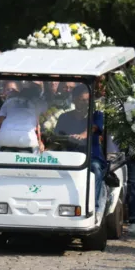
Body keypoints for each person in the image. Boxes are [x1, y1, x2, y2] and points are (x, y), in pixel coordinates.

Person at [54, 85, 105, 216]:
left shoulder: (97, 115)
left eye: (87, 100)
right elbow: (56, 136)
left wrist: (82, 135)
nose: (84, 103)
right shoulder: (64, 117)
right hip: (68, 156)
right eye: (81, 99)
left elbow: (93, 128)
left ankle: (93, 207)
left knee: (95, 169)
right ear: (74, 100)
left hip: (91, 156)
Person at [0, 82, 45, 157]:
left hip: (4, 137)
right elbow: (37, 127)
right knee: (39, 157)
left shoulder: (8, 102)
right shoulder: (35, 106)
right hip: (29, 141)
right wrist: (39, 142)